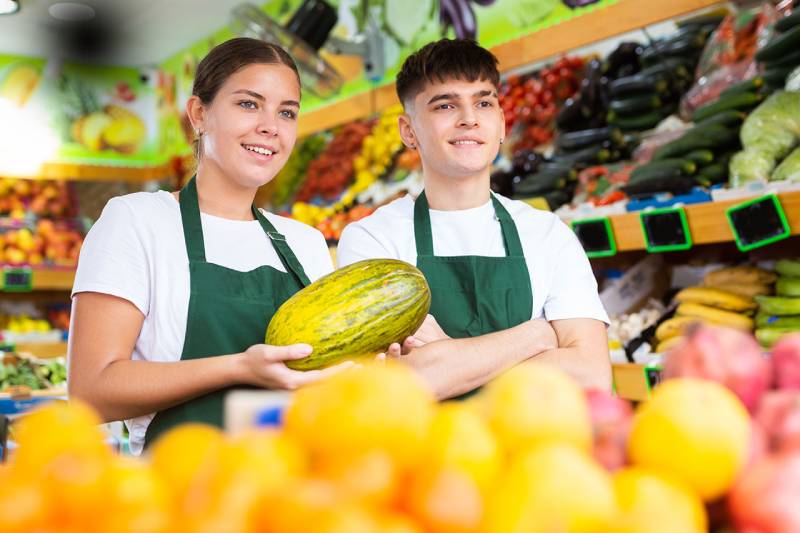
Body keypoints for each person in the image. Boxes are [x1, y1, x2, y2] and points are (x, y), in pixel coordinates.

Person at [68, 38, 352, 455]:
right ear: (199, 114)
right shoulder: (137, 221)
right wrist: (239, 367)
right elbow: (90, 392)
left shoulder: (305, 244)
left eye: (286, 112)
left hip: (288, 492)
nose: (271, 126)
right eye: (249, 104)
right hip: (179, 494)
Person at [337, 39, 611, 399]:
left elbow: (591, 377)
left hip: (533, 449)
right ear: (409, 131)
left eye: (483, 102)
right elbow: (404, 386)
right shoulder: (372, 240)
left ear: (500, 122)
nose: (469, 118)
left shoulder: (547, 234)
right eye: (446, 105)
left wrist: (451, 359)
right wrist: (537, 335)